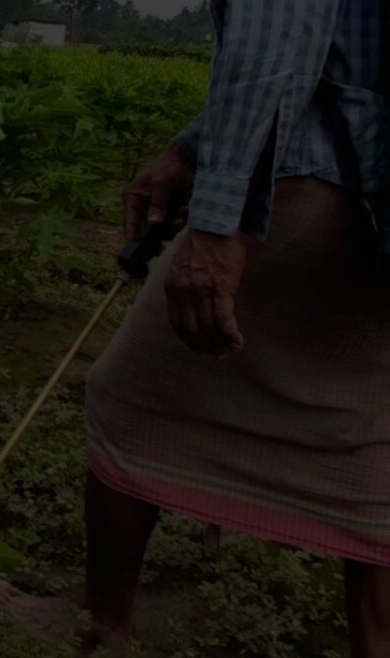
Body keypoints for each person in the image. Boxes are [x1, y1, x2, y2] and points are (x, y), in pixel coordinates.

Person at [79, 1, 388, 656]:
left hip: (325, 178)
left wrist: (219, 224)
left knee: (128, 401)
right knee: (374, 439)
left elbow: (278, 44)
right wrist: (189, 149)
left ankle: (104, 628)